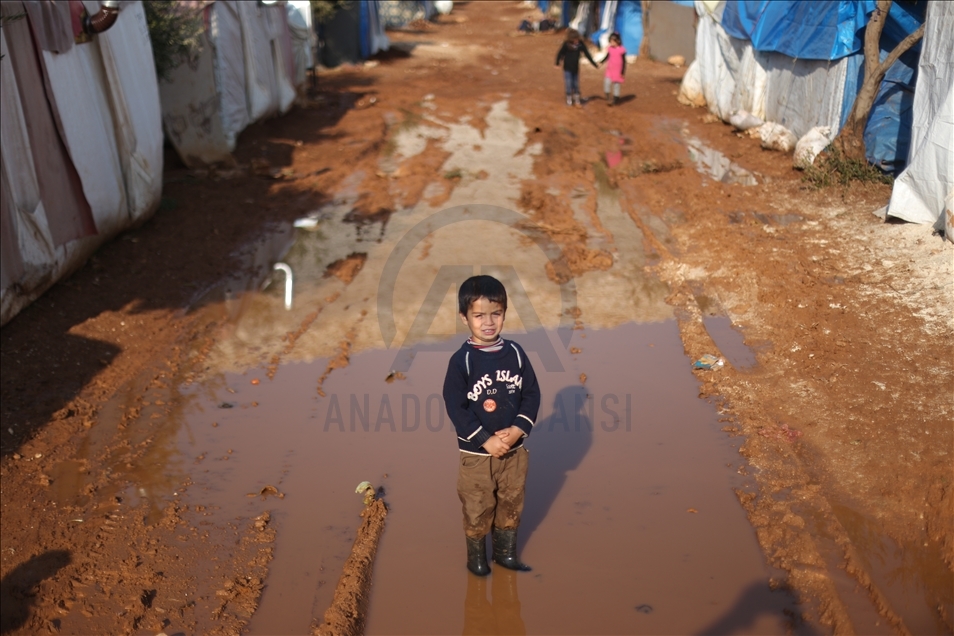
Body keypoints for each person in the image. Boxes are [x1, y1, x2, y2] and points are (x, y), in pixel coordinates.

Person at [443, 275, 540, 576]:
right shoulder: (462, 361)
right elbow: (455, 407)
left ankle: (505, 555)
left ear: (505, 313)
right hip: (477, 456)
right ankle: (477, 560)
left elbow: (532, 394)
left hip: (514, 452)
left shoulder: (516, 354)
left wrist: (518, 429)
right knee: (477, 507)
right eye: (479, 315)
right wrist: (485, 439)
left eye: (496, 313)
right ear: (464, 317)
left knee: (512, 503)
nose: (488, 322)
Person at [555, 28, 598, 107]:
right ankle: (569, 99)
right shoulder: (566, 45)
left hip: (575, 68)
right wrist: (557, 63)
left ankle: (577, 99)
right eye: (575, 39)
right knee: (568, 84)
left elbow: (587, 54)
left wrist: (594, 63)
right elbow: (560, 53)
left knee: (575, 84)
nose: (576, 41)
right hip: (567, 68)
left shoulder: (580, 45)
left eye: (577, 39)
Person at [599, 32, 626, 106]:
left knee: (616, 85)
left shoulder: (621, 50)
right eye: (610, 41)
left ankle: (615, 99)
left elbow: (624, 62)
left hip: (618, 70)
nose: (611, 43)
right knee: (607, 82)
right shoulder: (610, 49)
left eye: (613, 41)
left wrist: (622, 72)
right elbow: (607, 57)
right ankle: (608, 97)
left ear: (618, 41)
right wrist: (601, 62)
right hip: (610, 69)